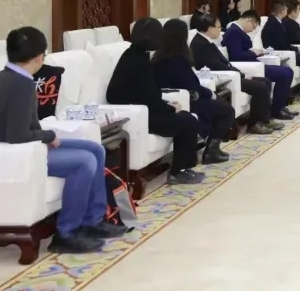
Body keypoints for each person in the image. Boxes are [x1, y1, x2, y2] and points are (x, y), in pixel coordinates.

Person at [0, 27, 129, 253]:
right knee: (84, 162)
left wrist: (46, 136)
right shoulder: (20, 84)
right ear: (39, 57)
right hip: (12, 155)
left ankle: (93, 220)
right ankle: (67, 233)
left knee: (95, 149)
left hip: (24, 148)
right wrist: (48, 136)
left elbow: (25, 126)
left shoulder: (7, 77)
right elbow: (18, 135)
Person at [107, 18, 204, 185]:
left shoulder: (134, 54)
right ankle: (179, 171)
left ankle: (181, 168)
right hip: (140, 114)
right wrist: (169, 109)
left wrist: (166, 105)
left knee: (185, 118)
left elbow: (147, 93)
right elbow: (147, 97)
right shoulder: (138, 60)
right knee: (188, 121)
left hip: (144, 109)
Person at [152, 19, 235, 164]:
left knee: (220, 104)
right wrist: (209, 93)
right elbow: (190, 85)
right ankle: (211, 151)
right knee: (227, 110)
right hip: (186, 99)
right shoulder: (177, 59)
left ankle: (212, 148)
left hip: (184, 96)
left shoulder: (160, 56)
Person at [191, 13, 279, 135]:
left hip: (230, 74)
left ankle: (264, 119)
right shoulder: (200, 44)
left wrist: (240, 72)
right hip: (223, 78)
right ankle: (254, 124)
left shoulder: (206, 41)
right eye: (218, 27)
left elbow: (224, 62)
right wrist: (240, 75)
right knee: (261, 87)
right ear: (210, 28)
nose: (220, 29)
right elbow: (215, 66)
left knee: (265, 81)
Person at [223, 10, 300, 118]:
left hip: (253, 64)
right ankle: (277, 110)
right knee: (284, 74)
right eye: (253, 27)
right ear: (249, 21)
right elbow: (236, 55)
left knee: (288, 70)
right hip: (248, 67)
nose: (252, 30)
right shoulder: (234, 32)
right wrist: (253, 53)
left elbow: (241, 50)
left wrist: (253, 52)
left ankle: (280, 106)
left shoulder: (237, 30)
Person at [262, 0, 300, 98]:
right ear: (282, 11)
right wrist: (295, 49)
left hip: (285, 50)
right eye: (286, 9)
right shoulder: (273, 24)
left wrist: (294, 48)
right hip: (280, 53)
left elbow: (284, 42)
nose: (287, 11)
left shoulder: (277, 22)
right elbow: (281, 44)